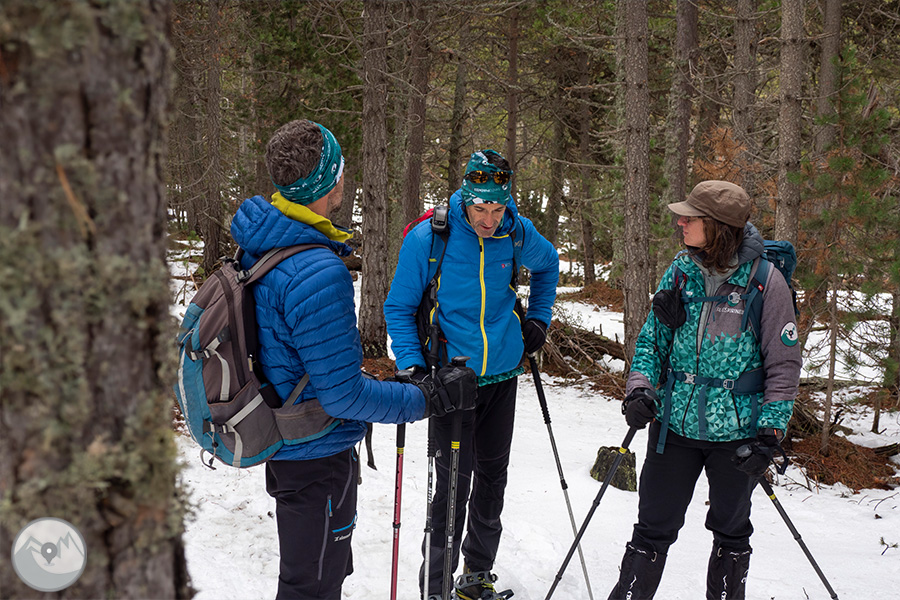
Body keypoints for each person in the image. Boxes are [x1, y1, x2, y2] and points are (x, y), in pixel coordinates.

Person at [229, 119, 477, 600]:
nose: (346, 176)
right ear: (328, 181)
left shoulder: (264, 241)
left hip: (288, 443)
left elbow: (307, 360)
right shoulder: (316, 270)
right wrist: (426, 397)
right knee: (312, 587)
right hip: (315, 454)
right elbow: (342, 396)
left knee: (310, 579)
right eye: (340, 168)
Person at [608, 180, 802, 600]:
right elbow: (652, 342)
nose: (681, 223)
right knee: (652, 527)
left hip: (737, 437)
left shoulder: (765, 283)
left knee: (731, 533)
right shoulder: (680, 273)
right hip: (673, 428)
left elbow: (784, 364)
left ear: (717, 226)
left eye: (690, 218)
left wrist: (770, 433)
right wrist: (640, 389)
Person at [384, 149, 560, 600]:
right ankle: (436, 587)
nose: (489, 219)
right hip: (451, 383)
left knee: (492, 481)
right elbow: (398, 308)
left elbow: (548, 264)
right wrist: (415, 368)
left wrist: (538, 320)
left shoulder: (516, 232)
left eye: (498, 208)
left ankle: (476, 576)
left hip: (502, 376)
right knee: (450, 490)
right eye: (481, 208)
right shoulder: (431, 238)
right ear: (465, 197)